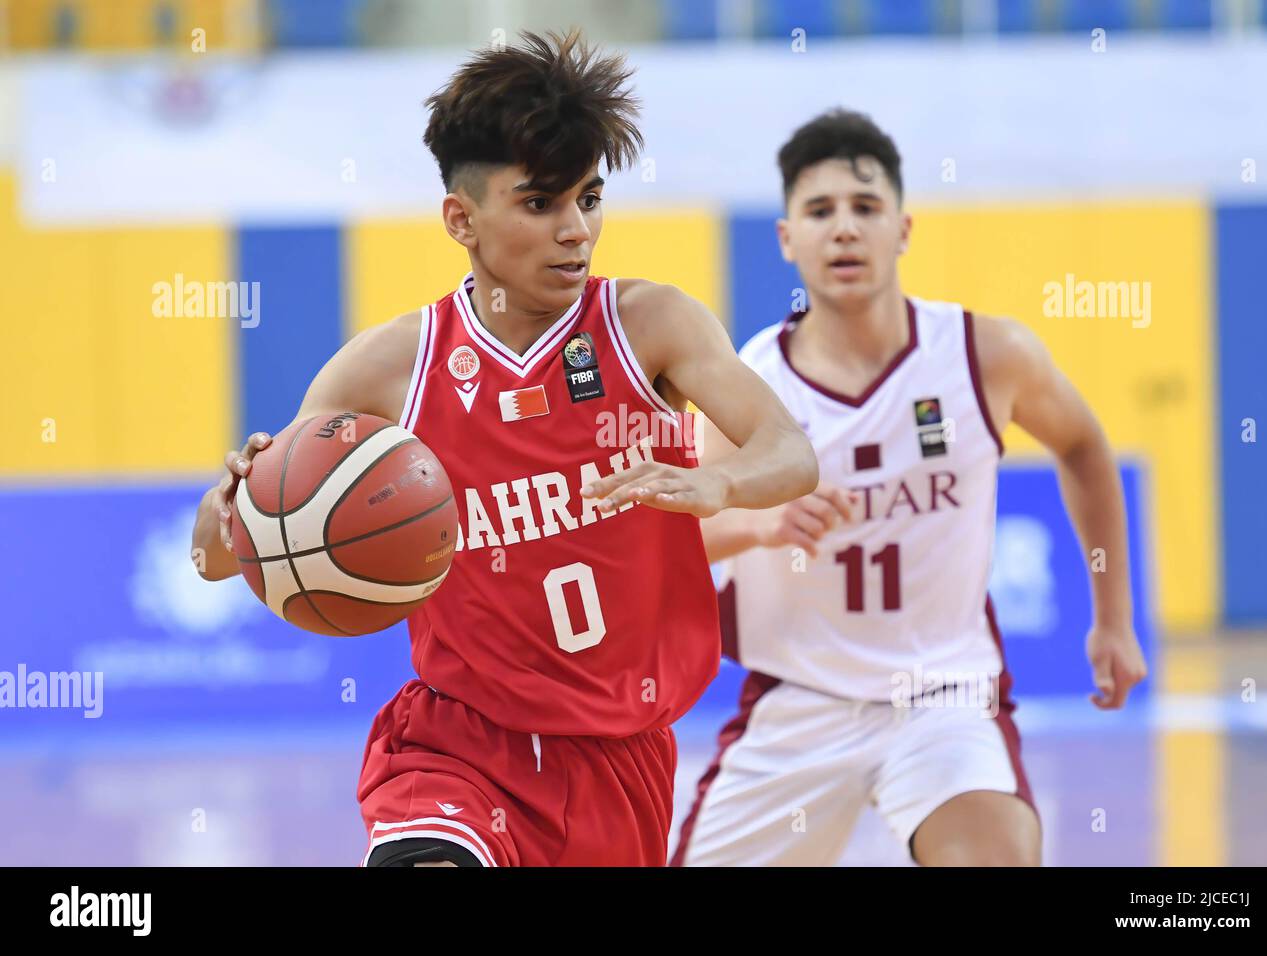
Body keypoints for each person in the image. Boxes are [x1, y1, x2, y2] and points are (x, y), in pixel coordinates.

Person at [190, 31, 817, 867]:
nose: (575, 231)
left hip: (620, 757)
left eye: (589, 199)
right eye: (539, 203)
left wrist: (722, 483)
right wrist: (234, 503)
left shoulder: (651, 325)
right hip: (456, 745)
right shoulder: (387, 370)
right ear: (461, 218)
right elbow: (220, 560)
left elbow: (791, 452)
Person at [673, 109, 1147, 867]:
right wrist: (764, 521)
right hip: (797, 701)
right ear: (787, 238)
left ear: (904, 228)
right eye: (820, 211)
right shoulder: (747, 383)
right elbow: (681, 537)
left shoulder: (985, 354)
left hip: (945, 698)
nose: (845, 230)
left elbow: (1085, 445)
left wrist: (1113, 620)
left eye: (866, 209)